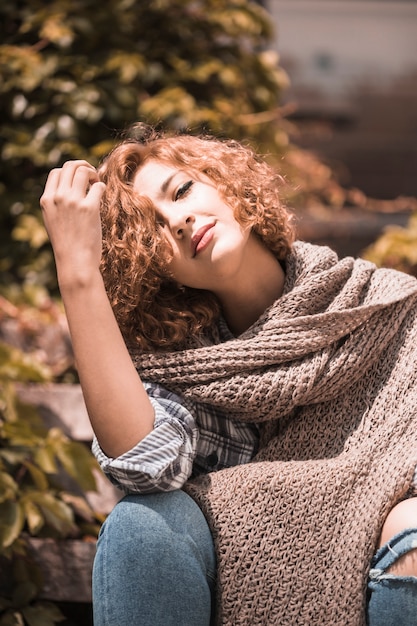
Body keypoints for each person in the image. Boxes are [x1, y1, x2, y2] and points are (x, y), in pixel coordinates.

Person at [40, 124, 417, 626]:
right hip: (218, 578)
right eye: (151, 229)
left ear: (228, 184)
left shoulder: (380, 305)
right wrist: (77, 271)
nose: (178, 220)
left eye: (182, 190)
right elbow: (148, 468)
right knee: (142, 523)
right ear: (155, 271)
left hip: (384, 553)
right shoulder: (180, 363)